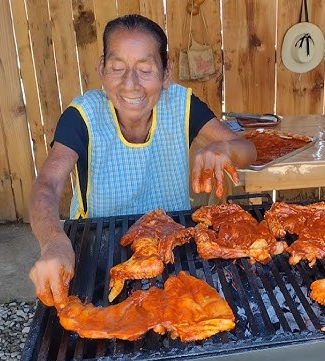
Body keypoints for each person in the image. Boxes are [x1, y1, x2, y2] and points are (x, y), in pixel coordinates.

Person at [28, 14, 256, 307]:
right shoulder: (83, 117)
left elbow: (247, 150)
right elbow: (47, 184)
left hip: (172, 245)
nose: (130, 84)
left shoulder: (181, 104)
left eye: (145, 69)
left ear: (166, 72)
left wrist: (225, 148)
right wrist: (54, 243)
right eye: (117, 68)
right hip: (99, 252)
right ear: (101, 68)